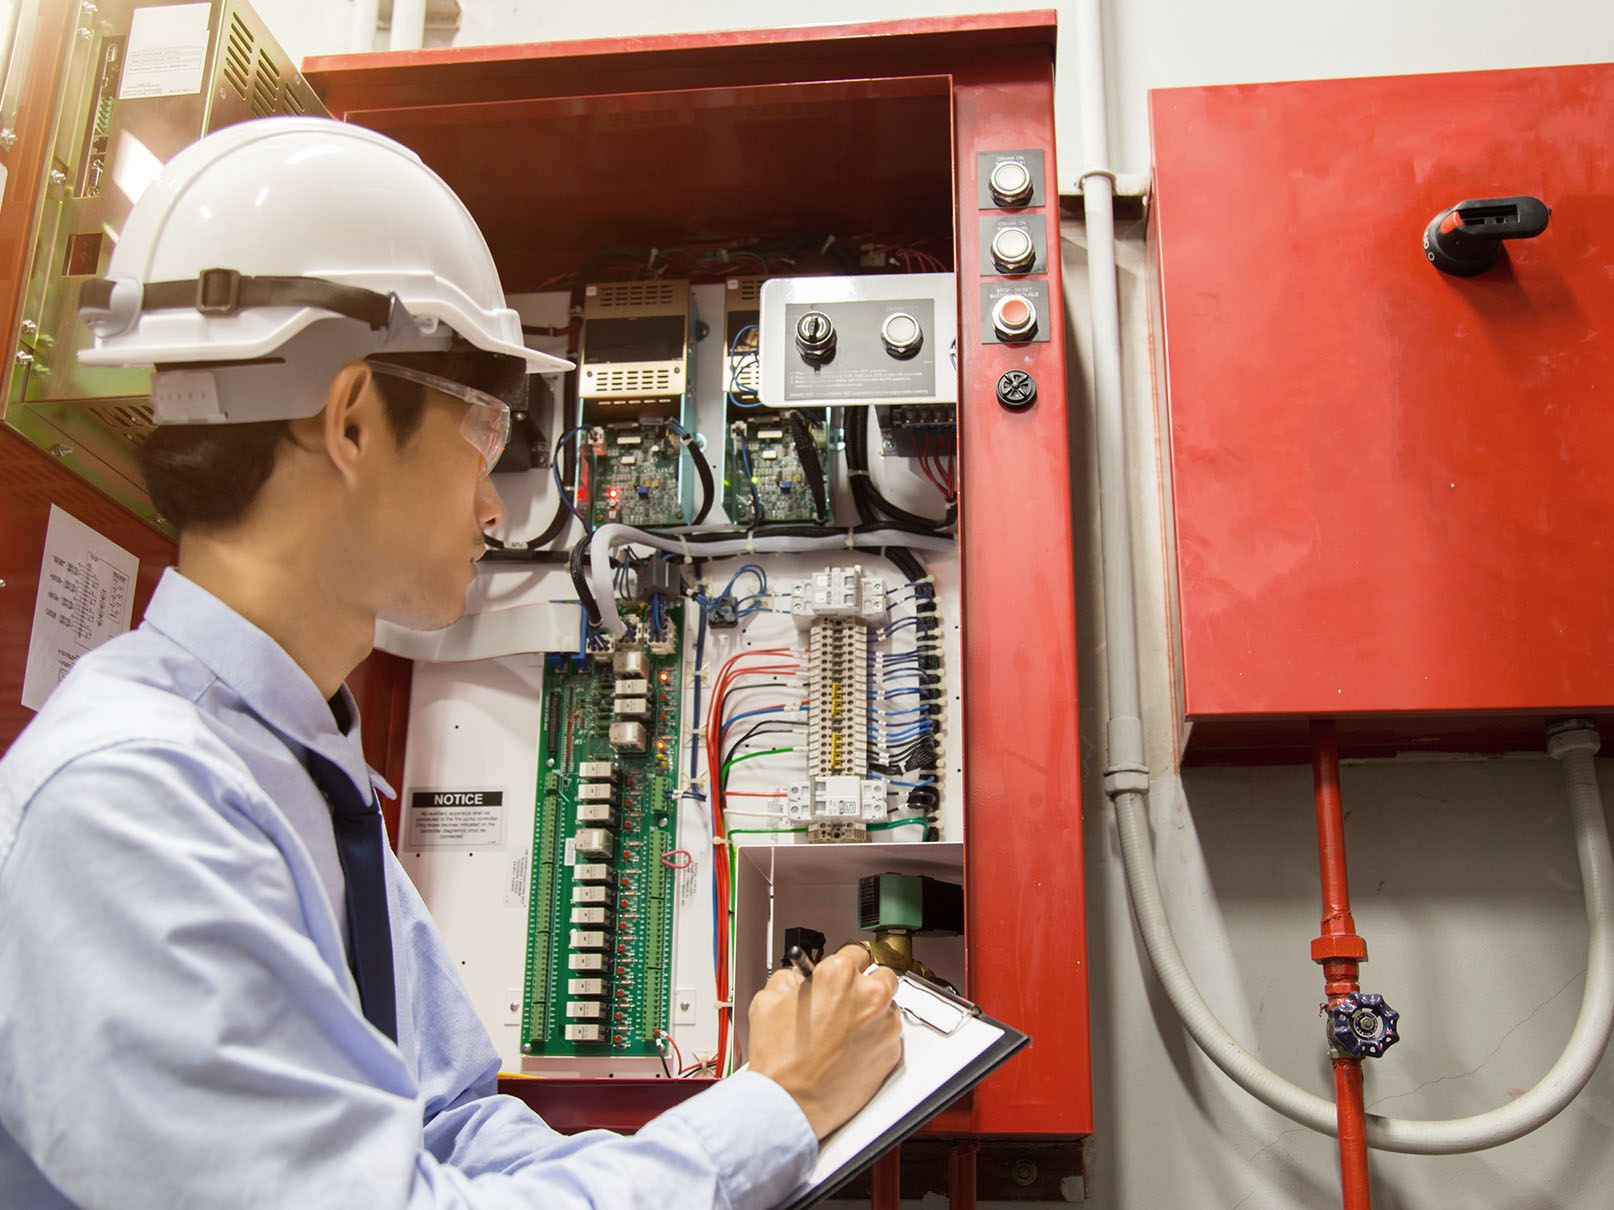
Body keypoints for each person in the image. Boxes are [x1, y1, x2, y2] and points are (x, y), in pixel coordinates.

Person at [0, 116, 901, 1209]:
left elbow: (450, 1126)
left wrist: (767, 1111)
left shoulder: (290, 767)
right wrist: (776, 1106)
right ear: (352, 422)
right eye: (483, 435)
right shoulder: (127, 804)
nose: (494, 504)